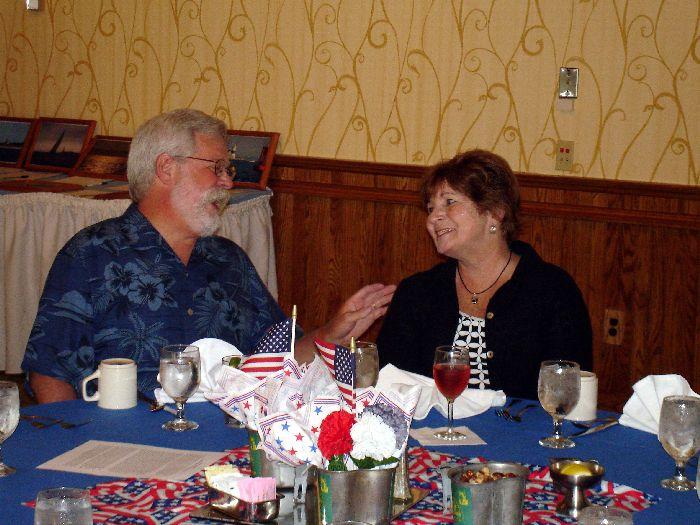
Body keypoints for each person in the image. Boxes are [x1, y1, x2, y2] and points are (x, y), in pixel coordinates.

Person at [22, 109, 394, 403]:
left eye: (227, 170)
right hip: (125, 448)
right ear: (166, 168)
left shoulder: (228, 260)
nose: (228, 182)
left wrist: (331, 333)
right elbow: (49, 373)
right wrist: (75, 448)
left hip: (225, 448)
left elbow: (279, 361)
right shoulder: (91, 255)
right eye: (216, 168)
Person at [377, 149, 591, 400]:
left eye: (450, 202)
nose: (433, 218)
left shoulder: (552, 291)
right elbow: (390, 385)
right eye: (430, 208)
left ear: (495, 212)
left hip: (525, 426)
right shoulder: (417, 292)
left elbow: (568, 393)